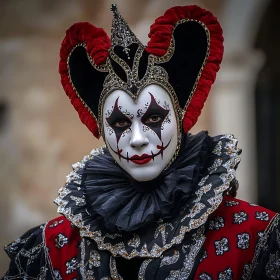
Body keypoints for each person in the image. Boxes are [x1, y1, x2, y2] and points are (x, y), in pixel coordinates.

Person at [2, 4, 280, 280]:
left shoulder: (255, 237)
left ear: (180, 117)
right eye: (120, 123)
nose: (136, 139)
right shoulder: (52, 248)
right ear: (102, 127)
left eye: (154, 118)